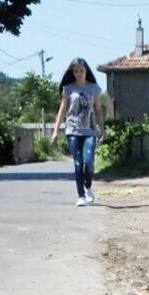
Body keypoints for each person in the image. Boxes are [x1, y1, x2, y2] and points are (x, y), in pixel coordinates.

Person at [50, 58, 104, 206]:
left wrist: (102, 130)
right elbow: (62, 110)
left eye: (82, 71)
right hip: (72, 130)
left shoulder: (94, 88)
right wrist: (55, 131)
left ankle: (88, 187)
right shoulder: (68, 89)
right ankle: (80, 196)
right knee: (78, 163)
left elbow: (98, 110)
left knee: (88, 162)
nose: (79, 73)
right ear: (72, 73)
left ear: (86, 71)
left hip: (89, 131)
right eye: (76, 71)